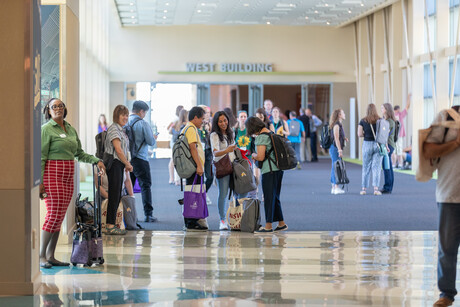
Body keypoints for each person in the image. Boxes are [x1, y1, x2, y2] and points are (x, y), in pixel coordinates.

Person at [40, 98, 106, 268]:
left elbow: (79, 153)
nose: (58, 109)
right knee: (53, 214)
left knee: (59, 217)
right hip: (52, 176)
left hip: (68, 177)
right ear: (48, 110)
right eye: (54, 107)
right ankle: (40, 256)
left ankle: (51, 255)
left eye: (61, 106)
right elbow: (40, 158)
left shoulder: (69, 128)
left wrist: (96, 160)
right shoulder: (46, 129)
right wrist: (40, 183)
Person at [424, 106, 460, 307]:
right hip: (450, 194)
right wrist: (455, 143)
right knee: (447, 250)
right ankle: (446, 294)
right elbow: (428, 149)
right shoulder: (446, 117)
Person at [246, 116, 288, 233]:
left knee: (269, 197)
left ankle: (268, 225)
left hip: (269, 170)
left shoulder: (261, 137)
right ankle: (281, 223)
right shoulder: (271, 133)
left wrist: (253, 155)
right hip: (279, 169)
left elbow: (260, 156)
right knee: (275, 196)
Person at [104, 105, 132, 234]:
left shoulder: (121, 130)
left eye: (127, 115)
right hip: (115, 164)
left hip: (119, 165)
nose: (125, 117)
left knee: (116, 195)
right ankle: (110, 226)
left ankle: (112, 224)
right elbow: (119, 150)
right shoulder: (114, 129)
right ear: (117, 115)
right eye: (123, 115)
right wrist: (127, 164)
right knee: (114, 195)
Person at [128, 101, 158, 222]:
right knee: (145, 186)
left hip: (128, 160)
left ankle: (128, 215)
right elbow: (151, 142)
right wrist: (154, 137)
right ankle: (148, 214)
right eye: (144, 112)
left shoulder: (126, 122)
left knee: (127, 187)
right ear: (141, 111)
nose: (144, 115)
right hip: (140, 159)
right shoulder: (143, 124)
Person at [210, 111, 237, 230]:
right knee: (223, 194)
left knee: (239, 193)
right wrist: (227, 150)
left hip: (234, 166)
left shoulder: (232, 132)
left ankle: (236, 219)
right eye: (220, 121)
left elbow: (234, 150)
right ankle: (222, 220)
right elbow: (215, 152)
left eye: (225, 120)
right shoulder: (214, 135)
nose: (223, 123)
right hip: (222, 167)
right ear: (216, 123)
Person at [182, 106, 208, 231]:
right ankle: (191, 221)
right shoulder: (191, 129)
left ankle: (190, 219)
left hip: (190, 166)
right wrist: (199, 165)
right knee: (194, 193)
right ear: (196, 117)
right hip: (193, 167)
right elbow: (193, 148)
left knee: (191, 193)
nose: (203, 121)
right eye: (202, 119)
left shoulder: (187, 127)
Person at [358, 103, 383, 196]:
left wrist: (366, 134)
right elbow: (383, 134)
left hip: (367, 144)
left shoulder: (363, 121)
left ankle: (364, 189)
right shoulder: (380, 120)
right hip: (378, 145)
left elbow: (359, 134)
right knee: (376, 168)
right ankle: (376, 189)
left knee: (366, 167)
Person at [328, 109, 347, 195]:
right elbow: (336, 138)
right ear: (339, 115)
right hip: (335, 148)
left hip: (335, 148)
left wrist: (344, 139)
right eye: (343, 113)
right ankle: (335, 186)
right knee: (335, 166)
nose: (344, 114)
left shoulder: (339, 124)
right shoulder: (336, 125)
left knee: (334, 166)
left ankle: (333, 186)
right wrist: (340, 149)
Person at [198, 105, 214, 204]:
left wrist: (209, 130)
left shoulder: (210, 124)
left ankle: (205, 192)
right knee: (200, 175)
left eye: (208, 113)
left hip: (208, 152)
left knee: (210, 176)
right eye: (206, 113)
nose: (208, 115)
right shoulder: (197, 125)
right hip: (199, 152)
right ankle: (200, 195)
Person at [169, 108, 188, 185]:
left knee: (175, 161)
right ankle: (183, 180)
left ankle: (176, 180)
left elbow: (170, 131)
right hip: (183, 144)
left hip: (175, 143)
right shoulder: (187, 124)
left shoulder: (176, 122)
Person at [380, 103, 396, 194]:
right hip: (390, 145)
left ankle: (387, 187)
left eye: (382, 108)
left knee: (386, 166)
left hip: (388, 146)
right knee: (388, 166)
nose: (381, 109)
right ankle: (389, 186)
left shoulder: (389, 121)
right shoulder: (388, 120)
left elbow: (384, 134)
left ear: (386, 109)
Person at [393, 94, 411, 168]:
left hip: (393, 135)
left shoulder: (392, 115)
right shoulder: (400, 115)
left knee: (394, 150)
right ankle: (400, 164)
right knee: (399, 150)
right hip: (399, 135)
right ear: (397, 110)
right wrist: (408, 97)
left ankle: (394, 164)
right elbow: (407, 106)